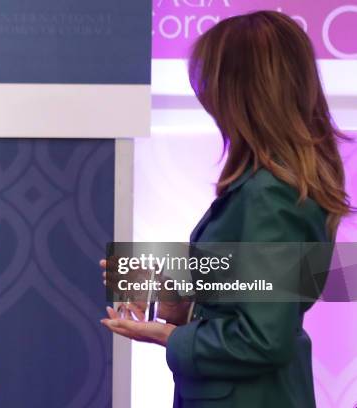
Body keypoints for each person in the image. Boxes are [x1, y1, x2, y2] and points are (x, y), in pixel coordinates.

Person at [100, 11, 352, 408]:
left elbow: (263, 339)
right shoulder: (270, 185)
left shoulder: (269, 194)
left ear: (240, 93)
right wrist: (180, 303)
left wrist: (168, 336)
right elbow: (255, 301)